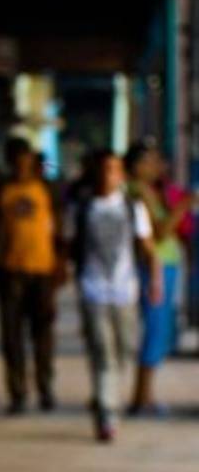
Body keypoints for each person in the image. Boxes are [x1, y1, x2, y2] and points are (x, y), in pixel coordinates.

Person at [68, 149, 159, 442]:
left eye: (114, 169)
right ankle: (108, 412)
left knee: (123, 352)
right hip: (93, 290)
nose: (109, 175)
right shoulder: (82, 209)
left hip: (125, 292)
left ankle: (105, 396)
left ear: (121, 175)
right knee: (102, 353)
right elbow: (69, 246)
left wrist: (155, 280)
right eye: (104, 169)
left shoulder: (133, 208)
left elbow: (147, 248)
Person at [0, 136, 65, 414]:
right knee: (12, 336)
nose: (21, 166)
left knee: (42, 334)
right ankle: (17, 392)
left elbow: (59, 230)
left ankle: (45, 387)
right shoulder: (0, 191)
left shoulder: (47, 190)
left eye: (25, 161)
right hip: (10, 271)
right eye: (15, 162)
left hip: (42, 270)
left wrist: (61, 265)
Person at [125, 139, 191, 415]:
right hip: (156, 268)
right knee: (155, 329)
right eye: (150, 161)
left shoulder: (151, 190)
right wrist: (186, 204)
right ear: (138, 166)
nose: (157, 167)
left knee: (160, 330)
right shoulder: (138, 191)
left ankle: (145, 395)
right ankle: (142, 397)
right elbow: (161, 231)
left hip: (166, 266)